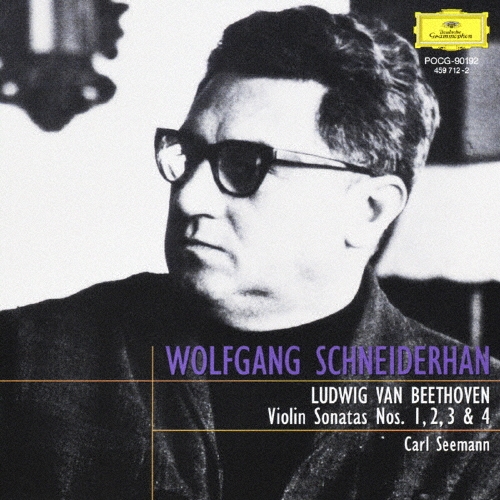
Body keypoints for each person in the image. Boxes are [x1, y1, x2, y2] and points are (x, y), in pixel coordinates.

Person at [1, 6, 499, 500]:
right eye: (188, 154)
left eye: (243, 165)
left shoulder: (478, 423)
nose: (189, 197)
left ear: (369, 210)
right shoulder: (25, 360)